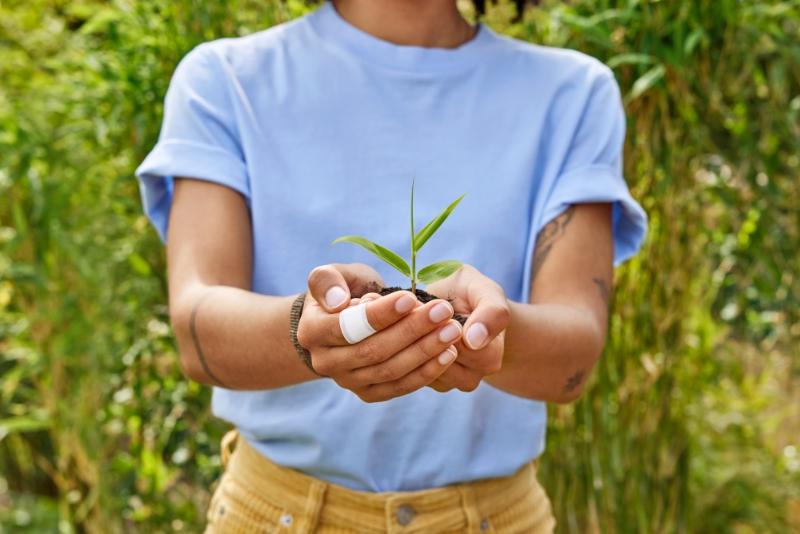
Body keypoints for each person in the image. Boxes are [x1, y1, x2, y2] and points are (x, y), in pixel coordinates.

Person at [135, 0, 647, 531]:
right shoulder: (224, 80)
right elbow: (197, 332)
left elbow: (575, 356)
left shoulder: (573, 93)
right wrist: (304, 329)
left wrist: (484, 331)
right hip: (274, 512)